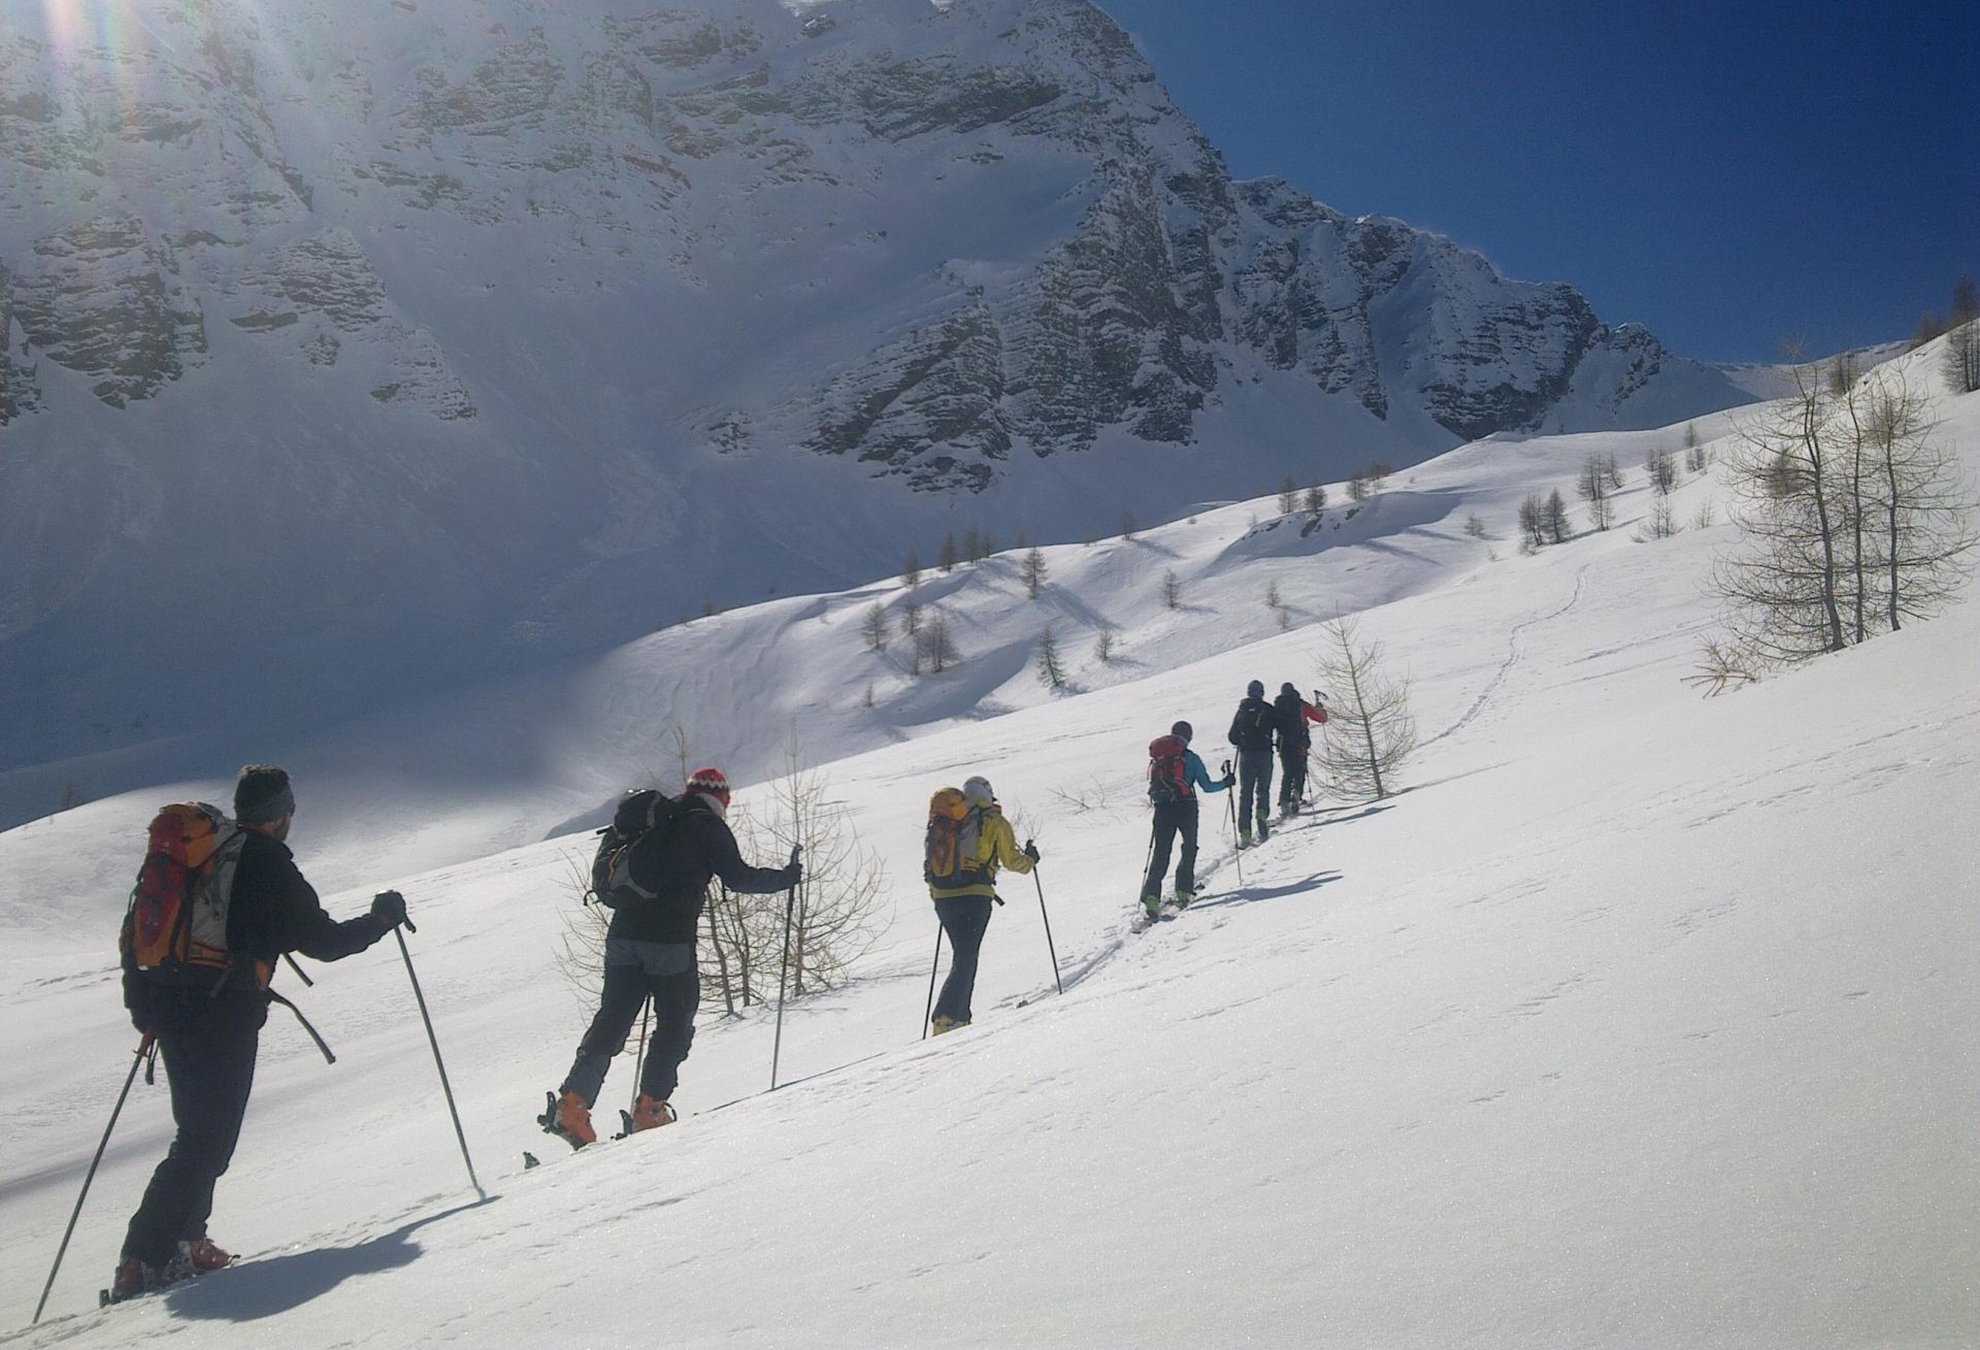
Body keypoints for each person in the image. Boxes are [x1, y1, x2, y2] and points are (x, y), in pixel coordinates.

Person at [113, 765, 406, 1301]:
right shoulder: (267, 864)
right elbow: (323, 941)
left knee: (199, 1130)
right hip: (223, 1016)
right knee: (207, 1141)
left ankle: (186, 1239)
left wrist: (146, 1010)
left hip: (170, 1008)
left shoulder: (202, 856)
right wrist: (381, 921)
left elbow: (134, 932)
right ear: (282, 815)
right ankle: (143, 1256)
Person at [547, 768, 799, 1148]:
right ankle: (650, 1109)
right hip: (670, 940)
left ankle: (573, 1105)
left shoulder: (652, 822)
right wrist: (787, 877)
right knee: (674, 1022)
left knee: (613, 1018)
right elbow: (739, 878)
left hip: (623, 936)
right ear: (721, 799)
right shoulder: (706, 826)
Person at [928, 775, 1035, 1035]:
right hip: (975, 897)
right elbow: (1012, 862)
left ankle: (957, 1016)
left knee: (963, 955)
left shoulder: (947, 821)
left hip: (943, 899)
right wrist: (1031, 860)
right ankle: (949, 1017)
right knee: (967, 956)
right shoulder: (994, 821)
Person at [1140, 721, 1233, 919]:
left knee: (1161, 851)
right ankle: (1183, 890)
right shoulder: (1190, 758)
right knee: (1189, 846)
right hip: (1186, 806)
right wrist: (1226, 783)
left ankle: (1151, 898)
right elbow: (1207, 786)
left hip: (1163, 808)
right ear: (1189, 737)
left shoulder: (1159, 758)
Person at [1227, 679, 1278, 845]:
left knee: (1245, 793)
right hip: (1264, 753)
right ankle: (1262, 813)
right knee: (1263, 788)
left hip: (1246, 756)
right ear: (1261, 692)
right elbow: (1280, 726)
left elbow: (1232, 736)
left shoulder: (1242, 710)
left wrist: (1242, 740)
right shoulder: (1268, 709)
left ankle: (1245, 832)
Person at [1273, 683, 1326, 816]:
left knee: (1287, 773)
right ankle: (1296, 794)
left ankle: (1284, 800)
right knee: (1300, 770)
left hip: (1283, 744)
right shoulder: (1300, 704)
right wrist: (1320, 709)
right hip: (1300, 742)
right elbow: (1321, 719)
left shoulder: (1277, 707)